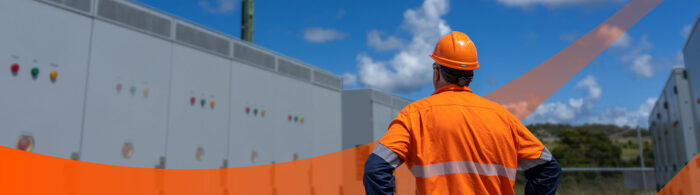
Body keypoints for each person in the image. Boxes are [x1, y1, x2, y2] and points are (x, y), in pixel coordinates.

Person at [363, 31, 561, 195]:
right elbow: (548, 169)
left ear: (437, 71)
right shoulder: (504, 117)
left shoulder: (415, 114)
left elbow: (376, 169)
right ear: (471, 75)